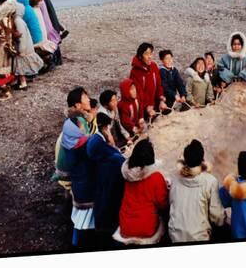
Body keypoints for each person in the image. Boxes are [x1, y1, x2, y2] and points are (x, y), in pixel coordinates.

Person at [113, 139, 168, 245]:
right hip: (146, 228)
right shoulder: (156, 177)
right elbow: (163, 203)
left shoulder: (127, 174)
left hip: (125, 226)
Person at [168, 139, 225, 243]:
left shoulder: (175, 179)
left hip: (174, 235)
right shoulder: (210, 181)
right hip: (199, 237)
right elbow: (217, 217)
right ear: (202, 160)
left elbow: (171, 202)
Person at [61, 87, 96, 245]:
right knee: (85, 217)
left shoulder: (76, 122)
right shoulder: (77, 125)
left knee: (81, 217)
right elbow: (86, 149)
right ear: (77, 105)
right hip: (83, 178)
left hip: (80, 176)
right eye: (85, 98)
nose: (88, 99)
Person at [86, 113, 125, 247]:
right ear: (105, 128)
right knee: (110, 214)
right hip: (107, 185)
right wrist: (114, 146)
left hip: (98, 184)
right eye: (109, 128)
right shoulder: (103, 147)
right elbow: (119, 160)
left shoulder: (93, 140)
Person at [11, 0, 45, 90]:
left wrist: (21, 49)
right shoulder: (20, 20)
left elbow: (22, 37)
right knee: (21, 67)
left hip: (23, 48)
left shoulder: (17, 21)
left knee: (21, 68)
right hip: (26, 46)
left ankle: (23, 83)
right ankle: (21, 82)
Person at [129, 42, 167, 120]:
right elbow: (138, 93)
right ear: (140, 56)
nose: (150, 57)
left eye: (151, 53)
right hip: (143, 109)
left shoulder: (154, 66)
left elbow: (159, 85)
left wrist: (161, 99)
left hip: (155, 106)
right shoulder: (135, 72)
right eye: (146, 54)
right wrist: (147, 107)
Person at [0, 0, 18, 101]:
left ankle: (6, 92)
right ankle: (5, 89)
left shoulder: (0, 21)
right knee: (5, 71)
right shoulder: (10, 19)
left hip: (0, 49)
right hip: (7, 48)